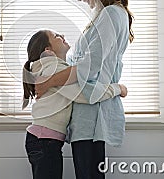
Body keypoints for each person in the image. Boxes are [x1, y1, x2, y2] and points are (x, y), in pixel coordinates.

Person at [35, 0, 134, 179]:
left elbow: (89, 67)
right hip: (86, 114)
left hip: (92, 113)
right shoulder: (105, 15)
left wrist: (48, 82)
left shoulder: (110, 14)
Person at [23, 29, 127, 179]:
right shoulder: (52, 69)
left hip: (45, 140)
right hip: (44, 142)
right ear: (48, 50)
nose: (63, 36)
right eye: (56, 36)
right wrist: (117, 89)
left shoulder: (54, 67)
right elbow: (84, 94)